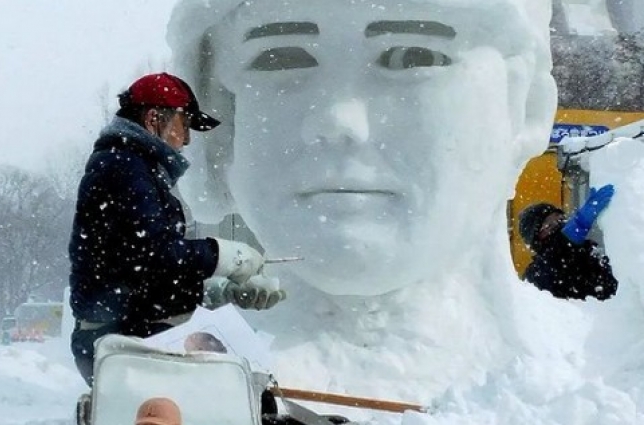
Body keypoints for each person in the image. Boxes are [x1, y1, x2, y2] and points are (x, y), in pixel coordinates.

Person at [167, 0, 564, 402]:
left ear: (524, 107)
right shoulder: (158, 382)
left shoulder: (599, 385)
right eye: (282, 57)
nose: (338, 121)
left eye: (413, 56)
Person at [68, 72, 287, 386]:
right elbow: (152, 255)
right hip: (123, 341)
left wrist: (216, 292)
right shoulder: (125, 168)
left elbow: (141, 273)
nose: (186, 139)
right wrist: (226, 255)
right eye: (184, 125)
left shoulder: (130, 166)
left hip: (123, 334)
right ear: (154, 118)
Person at [518, 185, 618, 301]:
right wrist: (575, 230)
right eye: (549, 225)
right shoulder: (535, 275)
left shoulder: (587, 250)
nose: (558, 225)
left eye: (560, 219)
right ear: (537, 239)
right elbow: (555, 260)